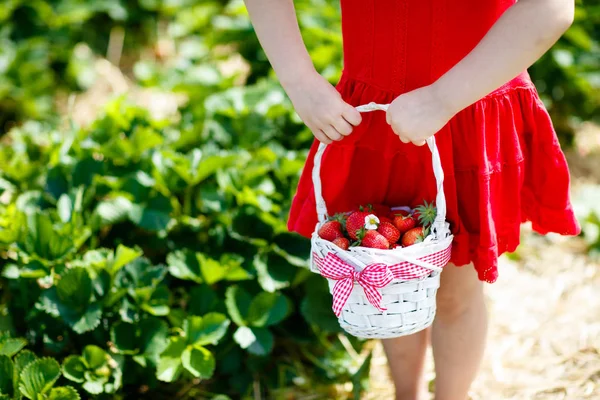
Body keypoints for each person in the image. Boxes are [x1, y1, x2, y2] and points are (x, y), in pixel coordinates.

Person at [243, 0, 581, 399]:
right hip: (376, 113)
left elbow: (551, 7)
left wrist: (442, 99)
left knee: (457, 290)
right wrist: (299, 80)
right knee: (391, 277)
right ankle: (408, 393)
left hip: (467, 106)